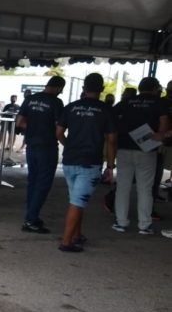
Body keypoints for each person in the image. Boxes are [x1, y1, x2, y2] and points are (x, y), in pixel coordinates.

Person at [56, 73, 116, 252]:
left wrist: (69, 145)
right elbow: (112, 140)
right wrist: (110, 166)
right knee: (77, 202)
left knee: (76, 199)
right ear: (102, 89)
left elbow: (58, 133)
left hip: (70, 160)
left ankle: (77, 235)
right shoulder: (106, 110)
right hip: (90, 162)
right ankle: (66, 242)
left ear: (84, 88)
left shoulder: (71, 107)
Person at [109, 77, 169, 235]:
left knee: (122, 187)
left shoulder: (127, 102)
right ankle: (144, 225)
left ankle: (120, 222)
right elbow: (163, 127)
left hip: (124, 147)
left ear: (140, 88)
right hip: (147, 150)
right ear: (155, 89)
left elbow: (111, 116)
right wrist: (160, 137)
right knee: (145, 188)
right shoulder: (159, 103)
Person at [16, 76, 66, 233]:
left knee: (33, 181)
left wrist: (33, 128)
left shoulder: (30, 99)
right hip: (47, 147)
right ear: (59, 88)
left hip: (31, 145)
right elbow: (59, 129)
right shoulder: (56, 102)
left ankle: (31, 215)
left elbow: (19, 122)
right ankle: (31, 220)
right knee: (43, 184)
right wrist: (68, 145)